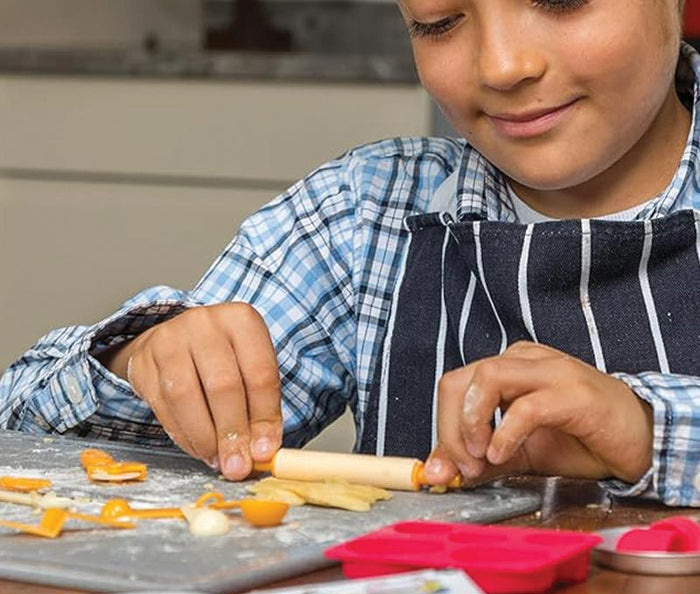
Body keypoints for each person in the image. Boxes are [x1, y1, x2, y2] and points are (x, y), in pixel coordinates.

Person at [1, 0, 698, 506]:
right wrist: (140, 362)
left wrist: (645, 431)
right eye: (439, 23)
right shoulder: (362, 213)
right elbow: (23, 439)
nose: (504, 65)